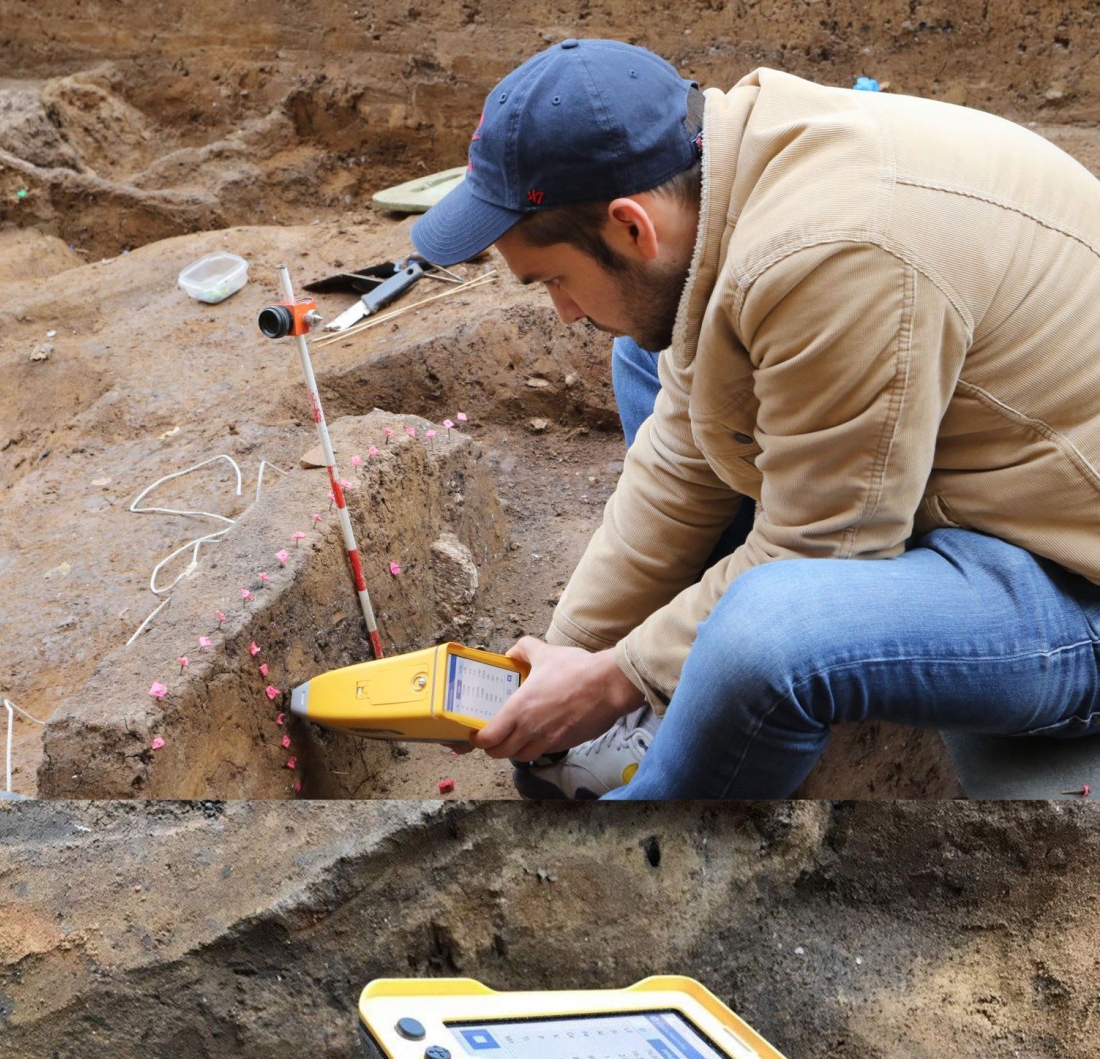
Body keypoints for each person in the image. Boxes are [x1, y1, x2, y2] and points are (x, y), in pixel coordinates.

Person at [410, 38, 1100, 799]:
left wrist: (618, 677)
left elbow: (826, 553)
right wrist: (567, 655)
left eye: (555, 281)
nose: (564, 311)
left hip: (1069, 583)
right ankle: (679, 696)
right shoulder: (736, 165)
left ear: (632, 226)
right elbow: (682, 456)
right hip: (994, 478)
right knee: (651, 348)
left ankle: (643, 859)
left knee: (771, 632)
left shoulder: (833, 253)